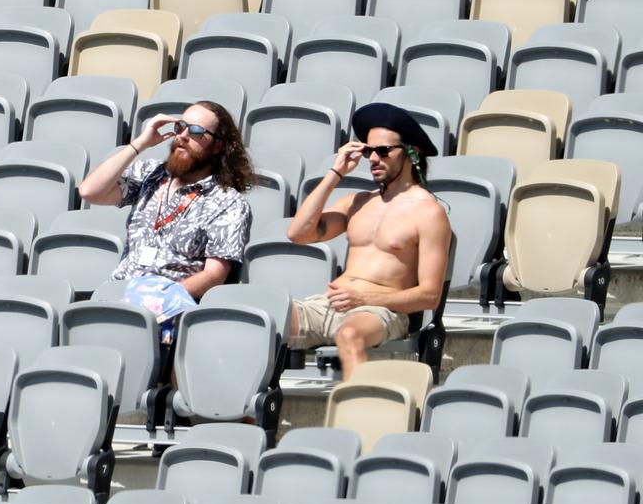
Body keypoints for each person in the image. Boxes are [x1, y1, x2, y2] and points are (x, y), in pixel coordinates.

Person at [286, 102, 452, 380]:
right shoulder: (358, 202)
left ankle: (357, 415)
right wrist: (335, 173)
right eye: (368, 151)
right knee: (266, 320)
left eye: (383, 151)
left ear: (412, 152)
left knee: (350, 335)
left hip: (380, 311)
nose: (374, 158)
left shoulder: (429, 213)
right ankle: (246, 415)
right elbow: (298, 233)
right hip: (329, 304)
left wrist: (365, 297)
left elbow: (430, 295)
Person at [78, 100, 254, 301]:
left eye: (196, 131)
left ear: (217, 146)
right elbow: (89, 191)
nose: (183, 136)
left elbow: (214, 276)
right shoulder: (150, 174)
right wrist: (140, 143)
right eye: (180, 127)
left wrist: (159, 297)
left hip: (167, 306)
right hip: (118, 293)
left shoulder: (228, 203)